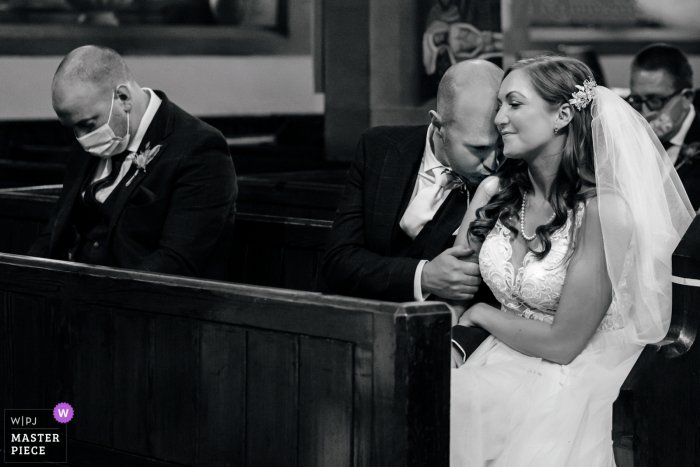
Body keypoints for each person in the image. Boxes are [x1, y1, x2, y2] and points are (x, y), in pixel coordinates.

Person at [449, 56, 694, 466]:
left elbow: (564, 344)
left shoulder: (602, 211)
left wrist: (479, 314)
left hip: (571, 371)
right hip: (492, 353)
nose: (499, 119)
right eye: (499, 106)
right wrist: (453, 342)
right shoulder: (492, 192)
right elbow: (454, 287)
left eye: (513, 103)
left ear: (562, 115)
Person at [28, 46, 237, 280]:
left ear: (123, 98)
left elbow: (177, 260)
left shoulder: (199, 148)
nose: (81, 138)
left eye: (88, 125)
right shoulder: (90, 141)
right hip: (73, 299)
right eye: (73, 129)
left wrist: (101, 296)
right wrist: (23, 277)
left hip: (146, 305)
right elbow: (55, 232)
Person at [322, 60, 502, 317]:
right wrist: (423, 276)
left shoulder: (510, 176)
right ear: (439, 127)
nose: (494, 162)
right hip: (355, 316)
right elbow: (338, 262)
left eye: (501, 145)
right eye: (480, 149)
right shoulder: (378, 148)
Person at [629, 43, 700, 209]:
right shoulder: (622, 134)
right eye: (637, 101)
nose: (644, 113)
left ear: (686, 98)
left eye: (655, 101)